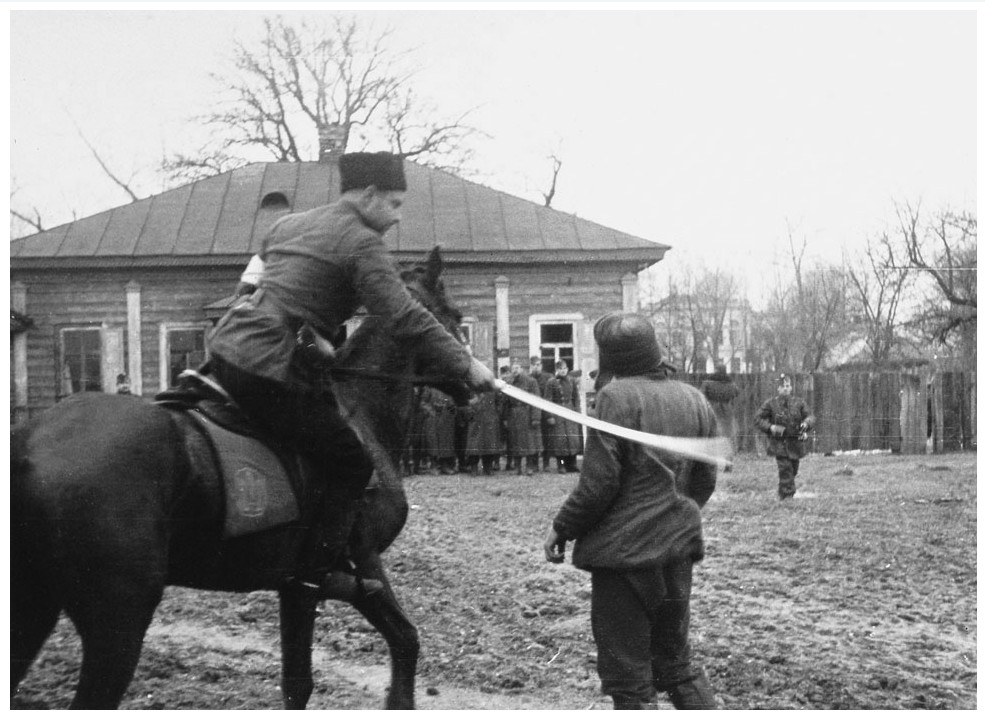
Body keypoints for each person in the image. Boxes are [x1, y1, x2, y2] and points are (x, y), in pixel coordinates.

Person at [205, 151, 496, 600]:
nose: (397, 217)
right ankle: (314, 571)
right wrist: (465, 363)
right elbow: (403, 316)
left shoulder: (287, 225)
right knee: (351, 460)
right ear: (368, 194)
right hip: (267, 365)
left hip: (224, 350)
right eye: (394, 204)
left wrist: (311, 335)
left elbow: (251, 288)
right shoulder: (363, 242)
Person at [543, 311, 718, 710]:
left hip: (625, 562)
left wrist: (561, 527)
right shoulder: (694, 398)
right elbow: (704, 482)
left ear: (611, 359)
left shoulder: (613, 398)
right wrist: (672, 516)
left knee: (630, 681)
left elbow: (598, 485)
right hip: (676, 556)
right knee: (677, 666)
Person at [754, 374, 815, 500]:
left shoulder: (799, 403)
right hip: (779, 443)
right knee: (785, 468)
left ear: (791, 388)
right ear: (778, 389)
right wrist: (770, 427)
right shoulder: (771, 404)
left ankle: (782, 491)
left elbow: (811, 417)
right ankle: (788, 496)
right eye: (783, 386)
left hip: (795, 443)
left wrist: (806, 423)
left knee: (793, 470)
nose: (786, 389)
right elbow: (757, 419)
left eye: (788, 386)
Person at [502, 358, 542, 476]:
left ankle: (529, 467)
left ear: (522, 369)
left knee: (529, 442)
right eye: (513, 368)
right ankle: (518, 467)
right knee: (515, 442)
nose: (515, 370)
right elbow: (505, 402)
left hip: (527, 413)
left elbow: (536, 400)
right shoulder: (509, 383)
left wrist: (535, 417)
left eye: (517, 368)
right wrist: (504, 417)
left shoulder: (531, 382)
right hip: (513, 415)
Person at [544, 359, 583, 473]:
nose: (563, 371)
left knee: (572, 439)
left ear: (567, 369)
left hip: (570, 412)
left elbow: (576, 398)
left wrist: (577, 412)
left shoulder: (572, 381)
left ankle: (572, 464)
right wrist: (550, 415)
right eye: (560, 369)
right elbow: (548, 400)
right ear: (556, 370)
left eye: (565, 368)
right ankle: (561, 465)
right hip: (558, 413)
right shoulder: (551, 382)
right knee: (560, 441)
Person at [700, 363, 740, 470]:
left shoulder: (708, 383)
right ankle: (728, 464)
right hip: (727, 411)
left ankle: (713, 464)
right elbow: (736, 392)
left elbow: (701, 395)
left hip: (711, 410)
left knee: (712, 437)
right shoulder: (731, 384)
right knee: (727, 438)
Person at [528, 356, 550, 471]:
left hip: (545, 412)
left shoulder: (548, 378)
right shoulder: (528, 379)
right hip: (532, 413)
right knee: (534, 438)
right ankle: (535, 464)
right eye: (534, 365)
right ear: (531, 366)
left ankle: (546, 464)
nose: (536, 367)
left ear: (541, 366)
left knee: (546, 438)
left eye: (538, 365)